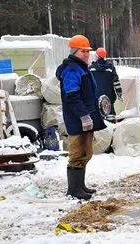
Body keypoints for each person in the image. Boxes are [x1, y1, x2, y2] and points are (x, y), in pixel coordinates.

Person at [55, 35, 106, 200]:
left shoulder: (82, 67)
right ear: (75, 51)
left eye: (87, 51)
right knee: (77, 153)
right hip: (76, 118)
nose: (86, 54)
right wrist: (84, 116)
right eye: (83, 51)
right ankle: (73, 190)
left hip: (86, 117)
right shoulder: (72, 69)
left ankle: (80, 186)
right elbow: (72, 96)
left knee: (86, 152)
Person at [89, 47, 121, 123]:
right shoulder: (110, 68)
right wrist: (119, 93)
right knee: (110, 115)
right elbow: (116, 82)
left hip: (95, 97)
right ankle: (111, 130)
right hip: (109, 97)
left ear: (97, 56)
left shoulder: (91, 69)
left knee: (97, 116)